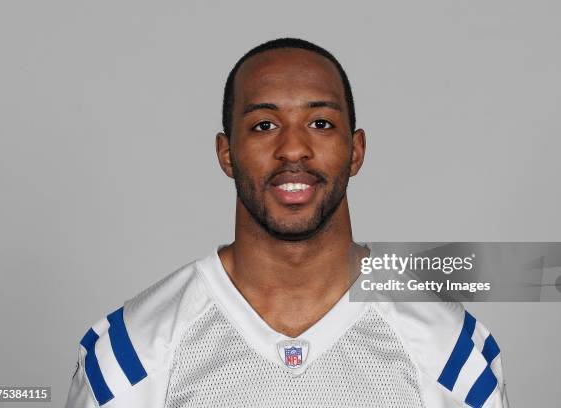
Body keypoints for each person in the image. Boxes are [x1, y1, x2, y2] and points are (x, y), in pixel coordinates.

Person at [65, 38, 509, 408]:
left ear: (355, 151)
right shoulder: (133, 351)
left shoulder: (447, 348)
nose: (293, 148)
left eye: (320, 123)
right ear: (226, 153)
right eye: (263, 125)